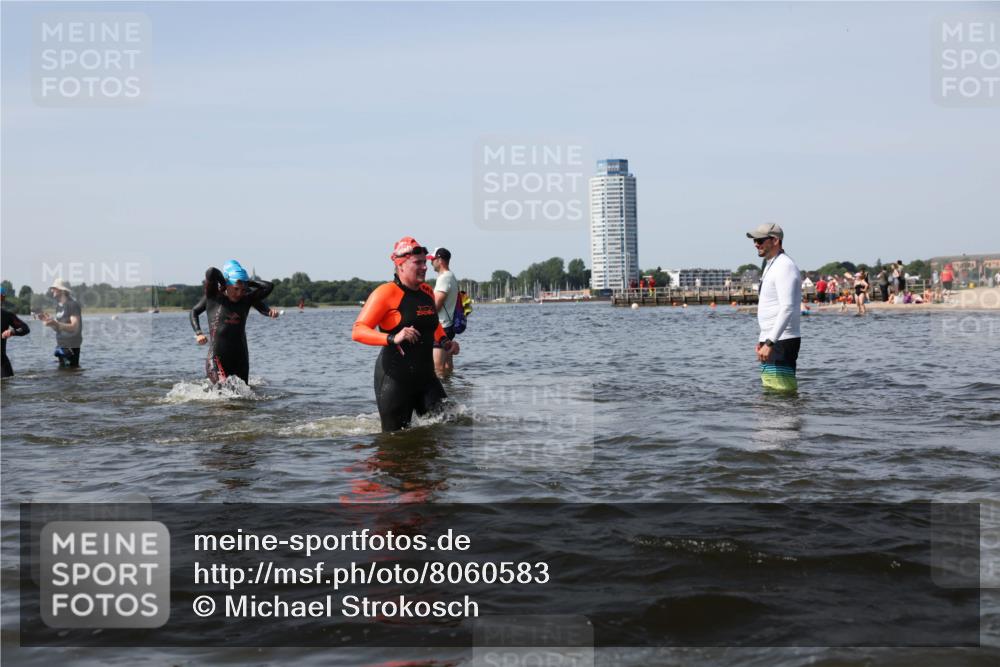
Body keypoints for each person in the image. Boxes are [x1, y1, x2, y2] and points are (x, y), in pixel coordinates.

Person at [353, 237, 460, 432]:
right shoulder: (385, 293)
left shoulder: (427, 292)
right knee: (395, 440)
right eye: (417, 263)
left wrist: (444, 341)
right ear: (400, 265)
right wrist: (392, 338)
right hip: (395, 379)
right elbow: (358, 330)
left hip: (426, 377)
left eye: (425, 263)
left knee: (450, 426)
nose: (424, 267)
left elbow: (432, 323)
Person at [189, 260, 276, 385]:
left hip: (241, 357)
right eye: (236, 289)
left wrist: (246, 282)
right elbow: (211, 272)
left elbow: (269, 286)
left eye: (243, 290)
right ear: (227, 284)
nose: (239, 293)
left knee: (244, 397)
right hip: (217, 358)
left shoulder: (246, 299)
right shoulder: (214, 297)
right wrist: (198, 333)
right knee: (221, 394)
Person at [747, 223, 801, 392]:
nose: (756, 244)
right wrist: (763, 338)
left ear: (775, 240)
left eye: (761, 240)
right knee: (771, 391)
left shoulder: (785, 266)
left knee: (781, 393)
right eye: (755, 240)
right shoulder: (771, 264)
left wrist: (770, 342)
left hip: (782, 340)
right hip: (772, 338)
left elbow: (787, 308)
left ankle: (789, 418)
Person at [36, 278, 83, 368]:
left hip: (71, 346)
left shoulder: (72, 305)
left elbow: (74, 327)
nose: (51, 290)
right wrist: (50, 322)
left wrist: (56, 323)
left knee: (70, 374)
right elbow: (59, 329)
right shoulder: (59, 306)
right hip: (61, 346)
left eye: (54, 288)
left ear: (61, 290)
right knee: (62, 375)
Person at [427, 247, 459, 376]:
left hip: (442, 326)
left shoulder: (444, 278)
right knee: (446, 365)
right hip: (448, 326)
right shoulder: (451, 276)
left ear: (439, 260)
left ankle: (440, 394)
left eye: (432, 259)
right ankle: (449, 391)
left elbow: (437, 305)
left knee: (437, 368)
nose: (430, 262)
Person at [1, 287, 30, 378]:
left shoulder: (6, 315)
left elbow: (25, 328)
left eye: (2, 297)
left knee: (7, 384)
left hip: (1, 363)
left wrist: (12, 332)